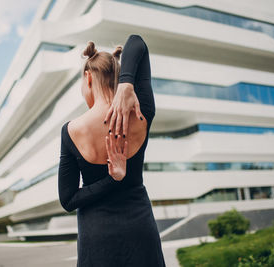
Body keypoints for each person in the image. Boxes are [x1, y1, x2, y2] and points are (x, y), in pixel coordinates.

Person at [58, 34, 166, 267]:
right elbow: (137, 42)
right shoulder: (140, 112)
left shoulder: (71, 131)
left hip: (97, 240)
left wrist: (111, 179)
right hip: (141, 231)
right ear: (118, 76)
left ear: (88, 78)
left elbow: (68, 200)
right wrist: (128, 83)